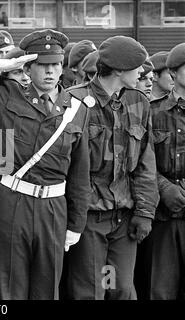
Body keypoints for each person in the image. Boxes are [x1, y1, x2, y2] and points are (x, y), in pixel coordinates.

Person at [0, 29, 92, 300]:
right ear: (28, 67)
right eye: (42, 65)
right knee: (10, 285)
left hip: (54, 206)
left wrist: (76, 224)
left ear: (63, 68)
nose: (50, 72)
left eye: (56, 65)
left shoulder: (76, 108)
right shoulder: (7, 94)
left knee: (47, 288)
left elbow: (80, 173)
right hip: (14, 200)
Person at [67, 35, 159, 300]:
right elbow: (69, 168)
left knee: (121, 290)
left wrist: (145, 211)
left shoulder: (138, 101)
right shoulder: (76, 102)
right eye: (137, 66)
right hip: (89, 218)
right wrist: (73, 220)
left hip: (124, 218)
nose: (143, 71)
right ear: (118, 69)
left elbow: (145, 162)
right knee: (89, 291)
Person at [148, 42, 185, 299]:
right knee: (161, 291)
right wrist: (165, 188)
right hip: (163, 215)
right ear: (172, 73)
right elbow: (141, 161)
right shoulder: (153, 112)